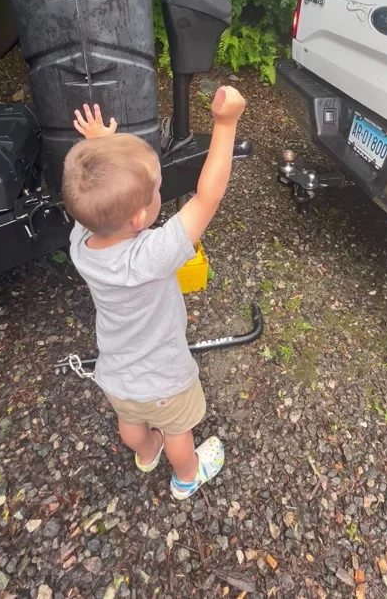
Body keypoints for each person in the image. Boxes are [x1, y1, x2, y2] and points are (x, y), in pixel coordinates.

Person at [61, 86, 246, 500]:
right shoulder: (149, 256)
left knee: (132, 424)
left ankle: (146, 452)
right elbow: (207, 196)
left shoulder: (82, 241)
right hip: (163, 376)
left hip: (116, 371)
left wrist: (98, 149)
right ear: (141, 216)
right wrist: (225, 125)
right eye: (156, 188)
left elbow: (95, 201)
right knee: (179, 430)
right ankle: (187, 475)